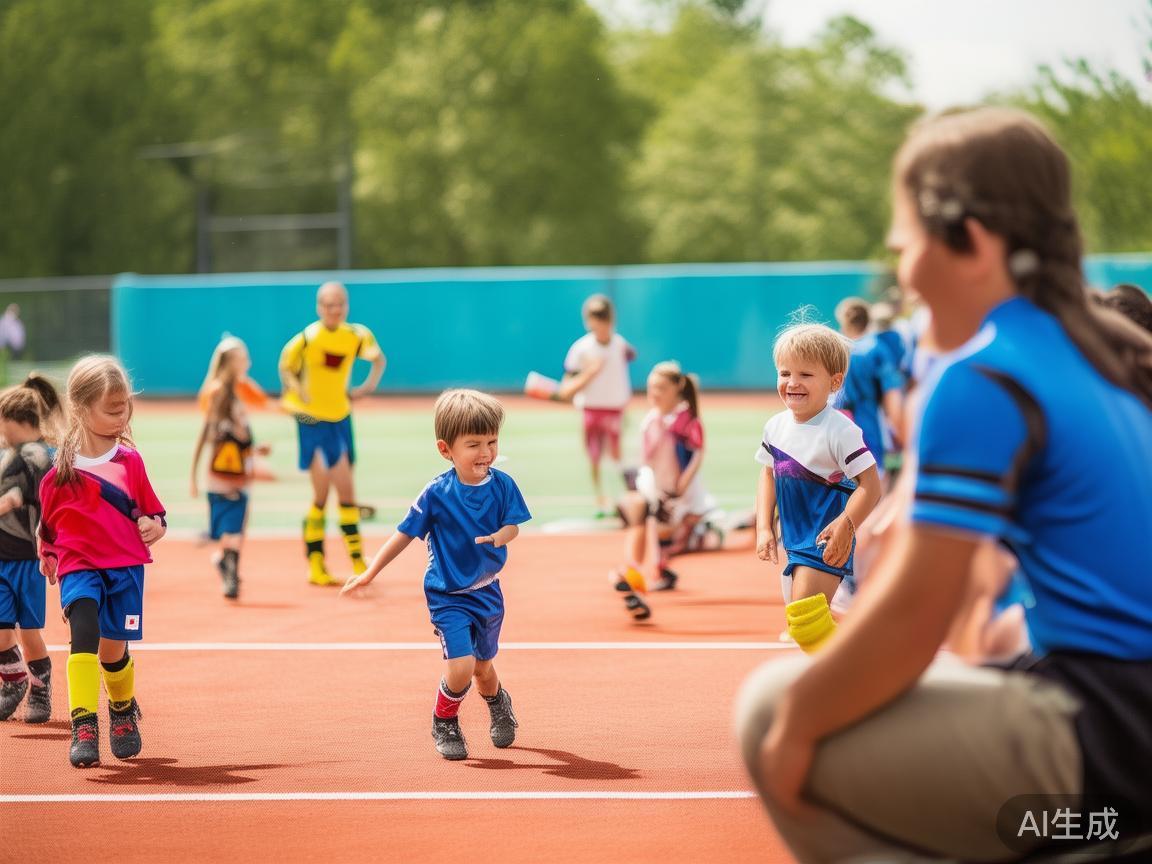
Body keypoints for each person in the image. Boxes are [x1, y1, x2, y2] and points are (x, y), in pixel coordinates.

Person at [736, 107, 1152, 863]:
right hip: (1124, 719)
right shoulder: (1107, 353)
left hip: (1110, 740)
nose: (901, 269)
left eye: (903, 243)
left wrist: (800, 723)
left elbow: (914, 614)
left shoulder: (985, 377)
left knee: (769, 713)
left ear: (973, 243)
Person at [341, 389, 531, 761]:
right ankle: (444, 720)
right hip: (447, 595)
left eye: (492, 442)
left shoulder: (503, 484)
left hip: (488, 592)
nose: (486, 453)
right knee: (460, 667)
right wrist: (370, 571)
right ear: (446, 450)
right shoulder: (437, 493)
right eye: (474, 444)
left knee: (482, 668)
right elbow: (404, 533)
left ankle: (497, 701)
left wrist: (500, 536)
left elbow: (514, 526)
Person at [39, 356, 167, 768]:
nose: (121, 415)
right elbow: (47, 525)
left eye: (124, 407)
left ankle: (123, 709)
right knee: (84, 634)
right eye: (111, 409)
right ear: (80, 408)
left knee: (113, 652)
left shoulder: (130, 463)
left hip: (125, 567)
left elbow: (154, 512)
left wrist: (155, 526)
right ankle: (83, 723)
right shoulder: (59, 471)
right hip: (80, 566)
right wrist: (48, 555)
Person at [755, 322, 882, 652]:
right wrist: (763, 527)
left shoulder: (841, 431)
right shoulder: (775, 426)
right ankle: (860, 667)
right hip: (792, 538)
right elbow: (767, 474)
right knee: (809, 626)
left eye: (806, 375)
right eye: (785, 373)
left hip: (826, 539)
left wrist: (846, 525)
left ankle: (859, 680)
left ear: (835, 381)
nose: (793, 383)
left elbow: (871, 485)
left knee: (805, 623)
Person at [279, 282, 386, 586]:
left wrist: (366, 388)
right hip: (312, 422)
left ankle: (356, 561)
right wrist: (296, 390)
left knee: (347, 493)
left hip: (341, 419)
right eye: (328, 305)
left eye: (339, 304)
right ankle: (316, 563)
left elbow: (378, 359)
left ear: (347, 305)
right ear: (318, 307)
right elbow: (285, 367)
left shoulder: (356, 335)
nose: (334, 310)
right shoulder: (306, 339)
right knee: (322, 495)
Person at [612, 361, 710, 620]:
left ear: (677, 388)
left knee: (666, 540)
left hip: (680, 495)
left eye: (661, 388)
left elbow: (698, 453)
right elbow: (647, 460)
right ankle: (633, 575)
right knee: (643, 520)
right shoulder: (651, 420)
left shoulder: (685, 420)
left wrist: (683, 483)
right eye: (651, 388)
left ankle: (660, 569)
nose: (654, 393)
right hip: (656, 488)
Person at [0, 374, 61, 723]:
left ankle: (40, 686)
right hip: (1, 556)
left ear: (17, 421)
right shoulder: (9, 454)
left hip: (26, 556)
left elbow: (50, 497)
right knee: (1, 626)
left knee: (28, 630)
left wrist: (20, 499)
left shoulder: (43, 456)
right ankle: (13, 680)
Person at [192, 336, 267, 599]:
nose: (247, 362)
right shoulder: (218, 392)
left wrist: (254, 450)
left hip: (239, 468)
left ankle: (227, 564)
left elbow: (236, 436)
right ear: (231, 361)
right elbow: (212, 435)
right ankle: (230, 574)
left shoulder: (237, 389)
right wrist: (193, 474)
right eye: (243, 357)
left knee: (236, 526)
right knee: (231, 528)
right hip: (224, 472)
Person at [562, 294, 636, 517]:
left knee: (616, 456)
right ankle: (601, 500)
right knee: (594, 456)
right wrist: (589, 373)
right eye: (596, 318)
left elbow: (630, 354)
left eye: (604, 318)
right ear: (588, 321)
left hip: (615, 408)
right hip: (591, 408)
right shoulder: (581, 349)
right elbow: (566, 386)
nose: (601, 323)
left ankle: (623, 501)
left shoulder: (620, 343)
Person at [834, 297, 905, 473]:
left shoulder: (837, 349)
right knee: (875, 475)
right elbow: (892, 392)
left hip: (837, 422)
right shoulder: (877, 348)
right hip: (869, 421)